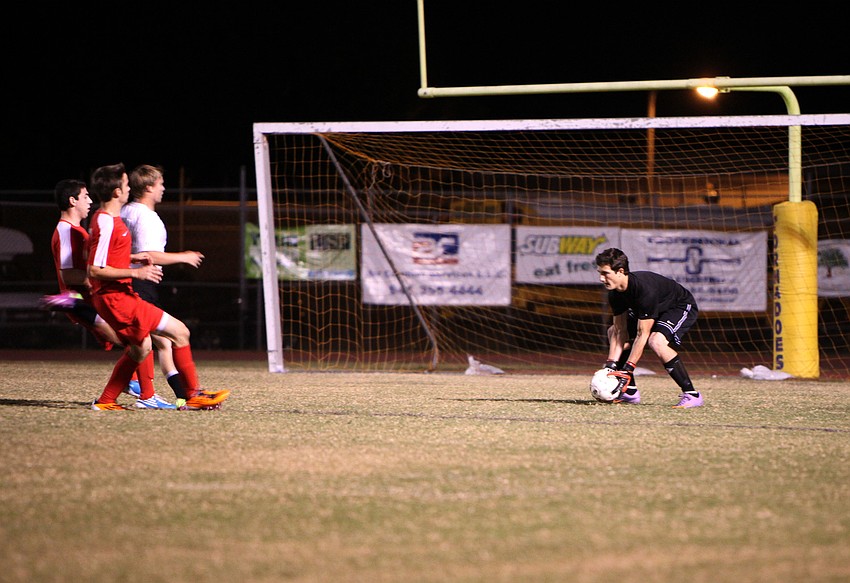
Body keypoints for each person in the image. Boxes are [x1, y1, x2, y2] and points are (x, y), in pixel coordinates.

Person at [86, 162, 230, 411]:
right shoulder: (108, 221)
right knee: (179, 332)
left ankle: (107, 401)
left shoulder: (112, 218)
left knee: (140, 348)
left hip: (119, 295)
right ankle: (191, 394)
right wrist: (138, 270)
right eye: (126, 184)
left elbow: (106, 258)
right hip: (117, 297)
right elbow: (95, 268)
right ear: (117, 191)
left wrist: (132, 259)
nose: (130, 188)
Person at [121, 164, 204, 408]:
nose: (164, 189)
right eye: (160, 184)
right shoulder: (147, 217)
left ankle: (182, 396)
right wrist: (183, 256)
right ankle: (188, 394)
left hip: (129, 282)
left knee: (161, 342)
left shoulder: (127, 211)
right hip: (140, 282)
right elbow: (149, 254)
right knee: (167, 337)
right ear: (148, 187)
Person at [594, 247, 703, 409]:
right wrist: (610, 366)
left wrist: (628, 369)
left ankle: (692, 395)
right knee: (612, 331)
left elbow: (642, 335)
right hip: (654, 309)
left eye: (605, 273)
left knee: (656, 341)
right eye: (600, 273)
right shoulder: (615, 294)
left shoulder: (644, 290)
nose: (601, 278)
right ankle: (630, 392)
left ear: (620, 271)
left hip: (678, 306)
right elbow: (619, 331)